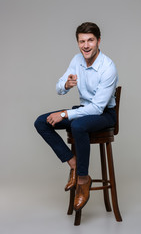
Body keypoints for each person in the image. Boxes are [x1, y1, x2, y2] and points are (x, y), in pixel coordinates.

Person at [34, 22, 118, 211]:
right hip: (83, 110)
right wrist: (66, 85)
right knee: (41, 122)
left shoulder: (108, 67)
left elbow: (97, 108)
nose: (86, 45)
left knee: (78, 125)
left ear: (98, 41)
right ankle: (74, 165)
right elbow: (58, 87)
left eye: (90, 40)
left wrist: (64, 114)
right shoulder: (77, 60)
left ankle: (82, 179)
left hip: (104, 114)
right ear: (78, 43)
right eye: (82, 41)